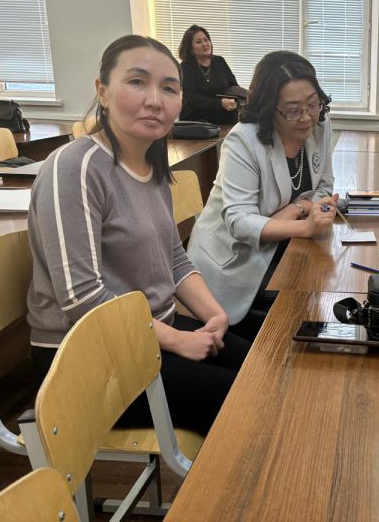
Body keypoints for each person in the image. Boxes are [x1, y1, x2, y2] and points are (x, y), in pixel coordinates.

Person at [27, 35, 251, 436]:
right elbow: (81, 297)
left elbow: (174, 259)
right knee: (247, 402)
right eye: (137, 82)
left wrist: (215, 315)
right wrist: (178, 341)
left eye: (169, 88)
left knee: (262, 367)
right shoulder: (74, 167)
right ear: (102, 91)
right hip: (82, 359)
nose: (154, 100)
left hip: (148, 333)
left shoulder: (152, 167)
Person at [187, 50, 337, 336]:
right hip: (235, 258)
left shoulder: (320, 124)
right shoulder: (244, 140)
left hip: (280, 244)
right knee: (300, 312)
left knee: (323, 288)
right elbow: (240, 222)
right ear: (269, 109)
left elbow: (325, 187)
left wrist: (295, 209)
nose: (306, 117)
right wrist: (304, 225)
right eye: (292, 110)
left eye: (312, 103)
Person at [178, 24, 245, 124]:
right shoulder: (185, 67)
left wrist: (240, 98)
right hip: (197, 121)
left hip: (224, 118)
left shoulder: (219, 61)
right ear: (190, 48)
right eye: (199, 42)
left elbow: (233, 86)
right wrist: (219, 103)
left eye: (206, 40)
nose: (205, 44)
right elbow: (191, 98)